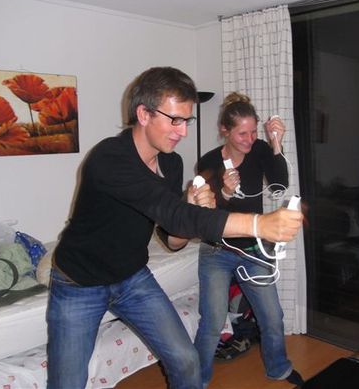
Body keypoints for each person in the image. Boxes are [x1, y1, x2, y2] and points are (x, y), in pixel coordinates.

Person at [46, 68, 303, 389]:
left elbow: (174, 239)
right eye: (175, 120)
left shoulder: (171, 163)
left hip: (131, 278)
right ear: (144, 114)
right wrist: (258, 223)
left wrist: (193, 208)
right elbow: (175, 214)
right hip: (79, 282)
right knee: (67, 383)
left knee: (186, 360)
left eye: (186, 121)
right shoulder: (109, 158)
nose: (182, 131)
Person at [194, 92, 305, 387]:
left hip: (254, 249)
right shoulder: (208, 161)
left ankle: (278, 368)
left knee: (272, 316)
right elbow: (204, 213)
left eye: (254, 132)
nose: (250, 139)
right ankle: (196, 380)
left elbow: (279, 185)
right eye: (242, 133)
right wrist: (224, 193)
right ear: (225, 130)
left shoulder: (260, 150)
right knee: (212, 322)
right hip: (216, 251)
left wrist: (276, 143)